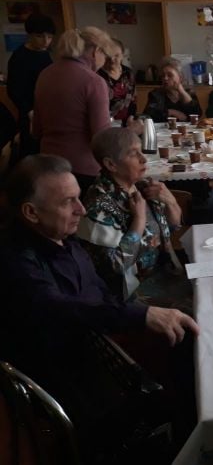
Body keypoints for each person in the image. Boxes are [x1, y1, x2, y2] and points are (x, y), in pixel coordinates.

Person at [0, 154, 198, 371]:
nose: (82, 210)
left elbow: (101, 292)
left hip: (105, 337)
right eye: (68, 202)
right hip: (77, 370)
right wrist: (141, 315)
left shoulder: (63, 238)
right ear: (31, 212)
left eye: (78, 198)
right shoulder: (16, 262)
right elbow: (58, 308)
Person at [77, 128, 183, 302]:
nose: (143, 158)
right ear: (111, 164)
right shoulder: (98, 207)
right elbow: (116, 267)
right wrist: (139, 221)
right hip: (130, 296)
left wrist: (171, 202)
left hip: (164, 272)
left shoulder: (141, 187)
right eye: (134, 154)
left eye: (141, 151)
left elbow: (172, 228)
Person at [32, 27, 114, 193]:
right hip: (82, 169)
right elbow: (101, 138)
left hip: (48, 165)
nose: (104, 60)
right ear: (96, 51)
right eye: (104, 55)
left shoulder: (45, 74)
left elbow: (36, 129)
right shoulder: (93, 81)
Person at [6, 13, 55, 158]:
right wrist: (29, 110)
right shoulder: (19, 56)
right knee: (32, 151)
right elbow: (14, 90)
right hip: (29, 112)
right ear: (30, 34)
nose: (46, 41)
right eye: (40, 36)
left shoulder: (45, 54)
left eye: (50, 37)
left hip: (47, 110)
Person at [144, 57, 201, 122]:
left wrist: (181, 91)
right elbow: (149, 114)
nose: (165, 78)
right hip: (162, 130)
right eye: (163, 75)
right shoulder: (156, 94)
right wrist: (171, 112)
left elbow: (197, 114)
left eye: (170, 75)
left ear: (180, 77)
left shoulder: (190, 93)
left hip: (186, 131)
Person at [98, 37, 138, 128]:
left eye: (116, 55)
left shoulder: (128, 73)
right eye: (109, 55)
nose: (112, 59)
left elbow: (133, 99)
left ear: (122, 55)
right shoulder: (97, 75)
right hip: (104, 123)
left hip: (127, 123)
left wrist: (131, 118)